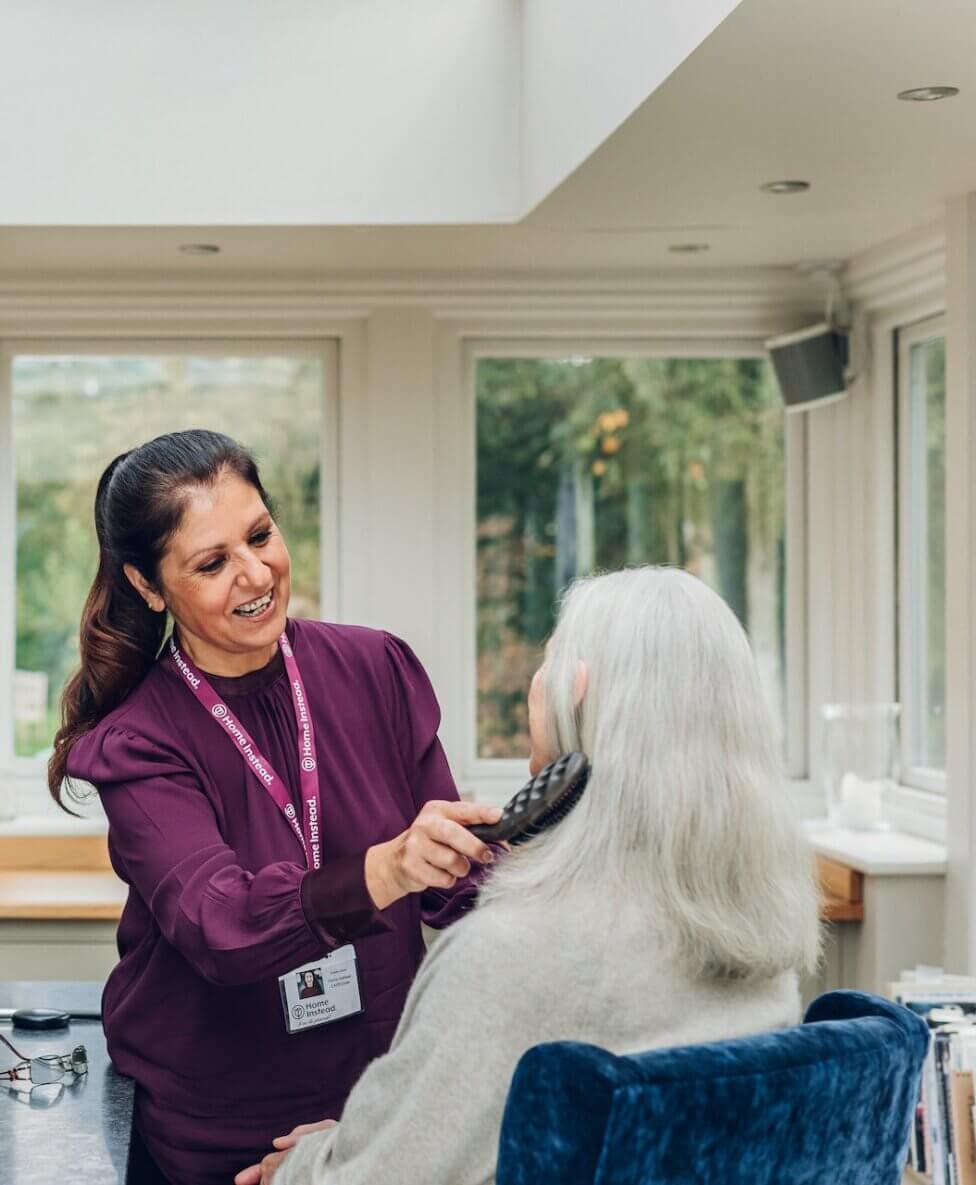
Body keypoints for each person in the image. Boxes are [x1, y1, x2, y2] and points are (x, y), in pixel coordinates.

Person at [237, 565, 822, 1185]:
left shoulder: (508, 956)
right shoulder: (762, 942)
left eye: (547, 661)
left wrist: (300, 1167)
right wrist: (360, 1138)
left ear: (577, 692)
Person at [51, 430, 502, 1185]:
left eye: (260, 535)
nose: (256, 573)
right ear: (149, 585)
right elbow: (220, 926)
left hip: (373, 1116)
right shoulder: (138, 741)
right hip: (220, 1137)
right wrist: (385, 869)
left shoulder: (375, 668)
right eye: (212, 561)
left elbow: (456, 886)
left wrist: (528, 849)